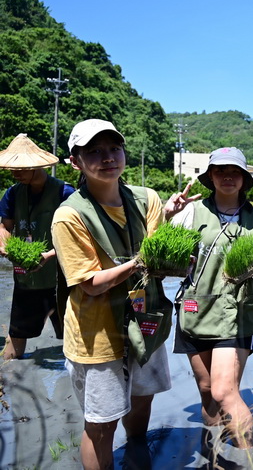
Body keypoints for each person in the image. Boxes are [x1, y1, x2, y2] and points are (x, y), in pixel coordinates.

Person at [51, 119, 194, 470]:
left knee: (143, 398)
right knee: (101, 424)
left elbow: (159, 258)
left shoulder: (147, 199)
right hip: (97, 334)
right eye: (94, 152)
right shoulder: (68, 216)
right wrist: (140, 262)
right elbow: (90, 283)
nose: (108, 158)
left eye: (114, 148)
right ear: (76, 161)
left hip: (145, 320)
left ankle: (137, 451)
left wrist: (178, 262)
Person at [170, 147, 253, 450]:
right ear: (210, 176)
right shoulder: (190, 213)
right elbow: (163, 255)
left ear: (243, 178)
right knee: (207, 389)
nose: (227, 176)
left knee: (225, 390)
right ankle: (211, 452)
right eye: (220, 171)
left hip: (236, 312)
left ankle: (247, 457)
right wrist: (165, 215)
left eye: (234, 171)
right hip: (195, 308)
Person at [0, 134, 74, 360]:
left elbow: (77, 237)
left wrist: (50, 254)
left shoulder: (64, 193)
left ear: (36, 166)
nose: (14, 174)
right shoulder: (13, 193)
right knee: (16, 337)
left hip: (61, 280)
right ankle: (9, 379)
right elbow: (4, 226)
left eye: (20, 169)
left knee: (72, 337)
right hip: (26, 278)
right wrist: (5, 246)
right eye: (12, 169)